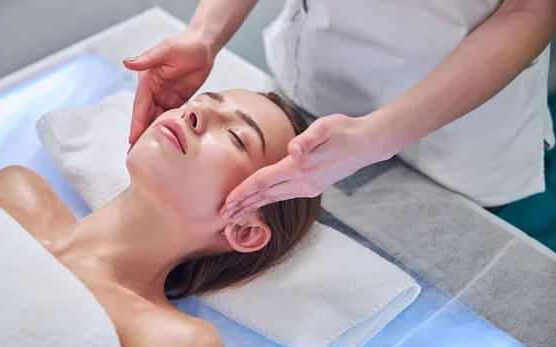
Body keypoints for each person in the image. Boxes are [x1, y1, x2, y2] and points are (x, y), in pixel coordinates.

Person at [0, 90, 321, 347]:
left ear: (243, 231)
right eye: (205, 99)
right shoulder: (11, 193)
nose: (196, 111)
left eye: (236, 137)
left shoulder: (175, 345)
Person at [124, 0, 556, 220]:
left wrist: (378, 136)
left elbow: (531, 9)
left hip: (454, 123)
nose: (191, 113)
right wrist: (205, 33)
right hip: (313, 71)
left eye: (239, 136)